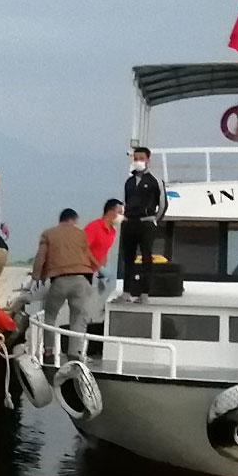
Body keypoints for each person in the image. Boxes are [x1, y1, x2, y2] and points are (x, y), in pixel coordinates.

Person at [32, 208, 95, 356]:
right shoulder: (81, 234)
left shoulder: (48, 234)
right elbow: (89, 256)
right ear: (73, 219)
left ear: (61, 219)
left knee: (50, 316)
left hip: (59, 281)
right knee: (78, 318)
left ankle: (49, 351)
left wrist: (37, 277)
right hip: (81, 280)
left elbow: (41, 257)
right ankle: (75, 353)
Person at [120, 147, 165, 303]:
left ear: (148, 159)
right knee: (128, 257)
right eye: (136, 158)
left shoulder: (155, 180)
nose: (138, 161)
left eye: (141, 158)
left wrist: (153, 219)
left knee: (146, 257)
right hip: (129, 223)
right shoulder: (129, 182)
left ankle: (145, 294)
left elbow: (163, 204)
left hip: (146, 223)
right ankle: (126, 292)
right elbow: (127, 201)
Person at [82, 199, 122, 358]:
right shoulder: (94, 227)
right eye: (120, 212)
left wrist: (103, 272)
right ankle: (81, 347)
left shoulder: (112, 231)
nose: (121, 216)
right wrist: (98, 267)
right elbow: (83, 248)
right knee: (82, 309)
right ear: (111, 211)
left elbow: (104, 251)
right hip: (83, 270)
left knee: (95, 309)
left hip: (96, 272)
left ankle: (92, 346)